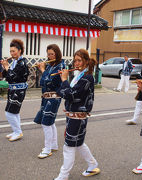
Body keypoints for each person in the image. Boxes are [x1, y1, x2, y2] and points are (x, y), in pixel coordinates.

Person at [54, 49, 100, 180]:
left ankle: (63, 175)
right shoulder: (78, 75)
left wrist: (64, 80)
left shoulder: (87, 78)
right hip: (73, 115)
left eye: (79, 60)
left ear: (86, 61)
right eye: (75, 60)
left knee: (69, 146)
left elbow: (70, 95)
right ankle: (92, 165)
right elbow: (61, 92)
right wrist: (62, 80)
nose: (76, 63)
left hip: (78, 117)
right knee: (79, 143)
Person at [34, 44, 65, 159]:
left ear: (57, 53)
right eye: (48, 54)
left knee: (46, 122)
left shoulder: (60, 66)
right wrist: (44, 70)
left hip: (54, 97)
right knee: (50, 122)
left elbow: (49, 81)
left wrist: (42, 70)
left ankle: (47, 149)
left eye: (52, 54)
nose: (50, 56)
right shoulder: (50, 66)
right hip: (46, 97)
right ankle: (54, 145)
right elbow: (42, 83)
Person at [1, 39, 29, 142]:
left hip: (19, 90)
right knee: (15, 112)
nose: (12, 53)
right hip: (13, 90)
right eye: (11, 51)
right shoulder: (15, 62)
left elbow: (14, 77)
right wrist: (5, 66)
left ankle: (18, 132)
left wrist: (7, 67)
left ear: (20, 51)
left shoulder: (22, 63)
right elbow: (5, 76)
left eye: (14, 51)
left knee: (9, 112)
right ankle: (16, 130)